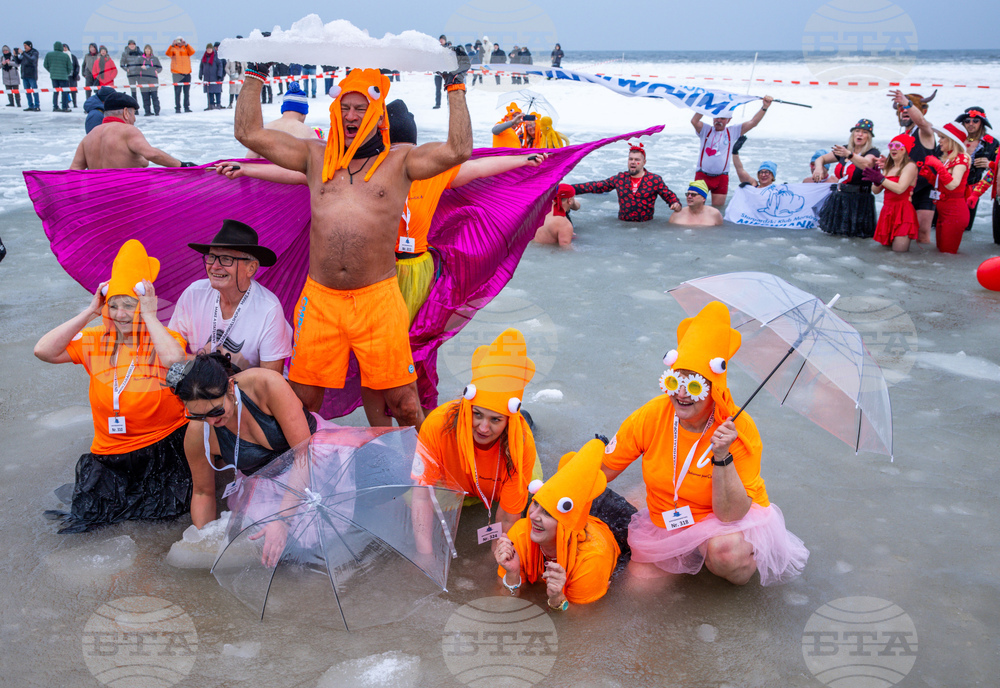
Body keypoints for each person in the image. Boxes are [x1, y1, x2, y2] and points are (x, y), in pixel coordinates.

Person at [234, 59, 472, 428]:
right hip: (321, 300)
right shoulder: (314, 157)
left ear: (377, 115)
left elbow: (458, 150)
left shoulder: (400, 163)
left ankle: (424, 481)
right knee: (300, 403)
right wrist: (254, 77)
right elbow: (248, 133)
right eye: (344, 106)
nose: (351, 114)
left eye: (360, 108)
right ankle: (299, 478)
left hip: (377, 299)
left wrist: (455, 87)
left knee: (406, 404)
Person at [601, 301, 808, 585]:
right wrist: (558, 498)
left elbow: (730, 514)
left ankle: (746, 558)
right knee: (637, 593)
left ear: (714, 387)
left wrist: (722, 456)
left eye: (695, 385)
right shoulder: (652, 414)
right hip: (668, 518)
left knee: (726, 556)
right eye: (676, 382)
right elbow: (603, 470)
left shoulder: (738, 427)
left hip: (722, 521)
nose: (682, 394)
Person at [34, 239, 190, 534]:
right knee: (90, 523)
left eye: (128, 305)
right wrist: (90, 311)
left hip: (161, 447)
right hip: (110, 452)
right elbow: (44, 351)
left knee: (158, 524)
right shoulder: (95, 339)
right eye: (114, 305)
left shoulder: (162, 336)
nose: (120, 314)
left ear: (143, 303)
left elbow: (175, 360)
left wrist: (149, 315)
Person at [413, 328, 538, 552]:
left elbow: (508, 517)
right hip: (454, 484)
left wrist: (494, 563)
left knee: (530, 505)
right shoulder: (437, 424)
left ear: (508, 420)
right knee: (407, 494)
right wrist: (425, 554)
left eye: (495, 419)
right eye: (477, 414)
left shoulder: (521, 443)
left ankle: (526, 419)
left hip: (506, 472)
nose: (483, 427)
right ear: (467, 404)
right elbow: (421, 496)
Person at [167, 353, 317, 536]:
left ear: (230, 387)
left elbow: (303, 454)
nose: (211, 422)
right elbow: (202, 493)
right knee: (256, 544)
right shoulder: (198, 435)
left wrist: (283, 519)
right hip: (266, 489)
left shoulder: (267, 384)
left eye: (217, 411)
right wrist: (205, 540)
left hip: (313, 461)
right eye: (199, 415)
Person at [494, 440, 620, 608]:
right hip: (569, 496)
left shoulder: (591, 560)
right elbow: (503, 602)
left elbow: (581, 621)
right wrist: (512, 574)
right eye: (536, 504)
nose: (532, 516)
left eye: (547, 513)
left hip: (611, 517)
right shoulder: (520, 534)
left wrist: (557, 599)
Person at [169, 220, 292, 373]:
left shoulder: (269, 309)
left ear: (251, 268)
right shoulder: (194, 294)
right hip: (199, 387)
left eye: (226, 259)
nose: (214, 266)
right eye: (212, 257)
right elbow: (169, 352)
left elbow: (270, 382)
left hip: (247, 393)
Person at [70, 92, 192, 170]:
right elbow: (152, 154)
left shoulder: (89, 137)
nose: (134, 119)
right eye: (133, 114)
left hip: (100, 201)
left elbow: (74, 171)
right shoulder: (127, 131)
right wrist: (182, 165)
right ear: (125, 113)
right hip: (128, 200)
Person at [691, 96, 773, 207]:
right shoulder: (705, 129)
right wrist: (706, 105)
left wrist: (764, 107)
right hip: (702, 175)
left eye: (723, 118)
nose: (719, 120)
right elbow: (694, 121)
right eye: (717, 117)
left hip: (721, 177)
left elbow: (753, 122)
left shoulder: (732, 131)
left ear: (729, 120)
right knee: (696, 208)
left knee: (718, 209)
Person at [571, 142, 681, 222]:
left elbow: (669, 195)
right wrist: (569, 189)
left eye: (637, 160)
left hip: (646, 226)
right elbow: (596, 186)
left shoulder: (654, 180)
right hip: (623, 224)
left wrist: (675, 204)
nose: (633, 162)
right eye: (630, 159)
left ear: (644, 162)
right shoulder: (620, 178)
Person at [815, 119, 881, 238]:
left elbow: (866, 164)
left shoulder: (872, 152)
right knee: (833, 235)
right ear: (853, 134)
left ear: (869, 137)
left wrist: (849, 155)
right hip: (840, 198)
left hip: (859, 200)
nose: (860, 134)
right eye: (857, 131)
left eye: (864, 132)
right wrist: (818, 168)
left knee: (856, 237)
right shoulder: (845, 149)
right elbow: (821, 159)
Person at [889, 89, 938, 242]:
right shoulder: (902, 136)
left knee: (922, 232)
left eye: (908, 109)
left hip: (924, 189)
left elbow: (921, 122)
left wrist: (907, 103)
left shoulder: (925, 131)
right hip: (904, 189)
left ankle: (924, 264)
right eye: (901, 108)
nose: (904, 111)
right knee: (901, 231)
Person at [865, 134, 919, 253]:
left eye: (898, 145)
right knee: (886, 256)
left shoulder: (910, 166)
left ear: (905, 149)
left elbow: (900, 189)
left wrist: (881, 179)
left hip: (903, 212)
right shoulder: (889, 168)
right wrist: (875, 180)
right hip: (887, 212)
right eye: (891, 145)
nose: (893, 148)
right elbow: (875, 191)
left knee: (899, 255)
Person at [928, 122, 971, 254]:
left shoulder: (962, 159)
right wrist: (929, 175)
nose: (939, 141)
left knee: (947, 254)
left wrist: (938, 167)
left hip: (954, 213)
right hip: (944, 210)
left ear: (952, 140)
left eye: (942, 137)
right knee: (941, 253)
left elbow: (953, 185)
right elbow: (942, 184)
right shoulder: (949, 159)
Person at [244, 83, 315, 158]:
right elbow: (319, 162)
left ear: (284, 110)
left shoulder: (264, 129)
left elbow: (249, 158)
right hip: (292, 169)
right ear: (304, 113)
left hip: (264, 169)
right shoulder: (308, 133)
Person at [957, 107, 998, 231]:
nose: (970, 124)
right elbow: (937, 157)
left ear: (982, 123)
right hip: (949, 188)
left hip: (972, 190)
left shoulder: (991, 143)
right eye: (967, 121)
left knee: (965, 227)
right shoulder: (954, 139)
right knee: (940, 224)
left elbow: (998, 166)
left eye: (975, 121)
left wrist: (990, 163)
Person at [166, 36, 195, 113]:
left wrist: (186, 45)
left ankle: (186, 107)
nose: (179, 42)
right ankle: (177, 108)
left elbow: (192, 52)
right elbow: (168, 54)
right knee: (177, 92)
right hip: (177, 74)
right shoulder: (173, 48)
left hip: (187, 73)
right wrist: (172, 45)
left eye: (180, 40)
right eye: (178, 41)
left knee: (186, 92)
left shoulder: (186, 48)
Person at [44, 41, 73, 112]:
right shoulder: (65, 55)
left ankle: (55, 106)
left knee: (55, 92)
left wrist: (51, 71)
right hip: (63, 77)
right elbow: (70, 67)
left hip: (54, 77)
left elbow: (45, 65)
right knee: (64, 92)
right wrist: (67, 73)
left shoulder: (49, 54)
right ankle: (64, 107)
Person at [137, 45, 162, 116]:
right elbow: (136, 67)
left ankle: (157, 111)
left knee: (154, 96)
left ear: (151, 50)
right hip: (143, 80)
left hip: (153, 79)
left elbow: (160, 67)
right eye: (146, 49)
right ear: (144, 50)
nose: (147, 50)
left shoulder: (155, 58)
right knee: (145, 97)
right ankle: (147, 111)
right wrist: (141, 67)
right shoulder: (140, 59)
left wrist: (157, 71)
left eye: (149, 49)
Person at [15, 41, 40, 111]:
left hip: (32, 75)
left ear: (30, 46)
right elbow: (18, 62)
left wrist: (23, 53)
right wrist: (15, 55)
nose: (24, 47)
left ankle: (37, 105)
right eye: (24, 45)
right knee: (27, 92)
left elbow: (32, 60)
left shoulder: (34, 52)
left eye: (26, 45)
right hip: (24, 75)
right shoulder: (24, 54)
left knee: (34, 91)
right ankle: (30, 105)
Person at [199, 43, 224, 110]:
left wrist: (219, 74)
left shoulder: (216, 56)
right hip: (207, 78)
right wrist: (200, 74)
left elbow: (220, 66)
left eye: (210, 49)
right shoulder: (204, 57)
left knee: (217, 92)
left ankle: (218, 104)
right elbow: (201, 66)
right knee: (209, 92)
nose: (209, 50)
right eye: (208, 49)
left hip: (216, 77)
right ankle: (211, 105)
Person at [433, 35, 450, 109]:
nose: (441, 41)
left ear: (445, 40)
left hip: (446, 72)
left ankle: (449, 103)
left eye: (442, 39)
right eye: (440, 39)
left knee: (448, 88)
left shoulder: (448, 49)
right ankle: (437, 104)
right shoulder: (436, 49)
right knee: (438, 89)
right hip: (438, 72)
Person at [63, 44, 80, 108]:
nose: (64, 49)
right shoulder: (61, 57)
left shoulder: (73, 56)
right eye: (63, 48)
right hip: (64, 76)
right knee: (65, 91)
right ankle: (66, 103)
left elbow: (77, 65)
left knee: (73, 91)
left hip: (72, 76)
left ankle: (75, 103)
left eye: (65, 48)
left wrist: (76, 73)